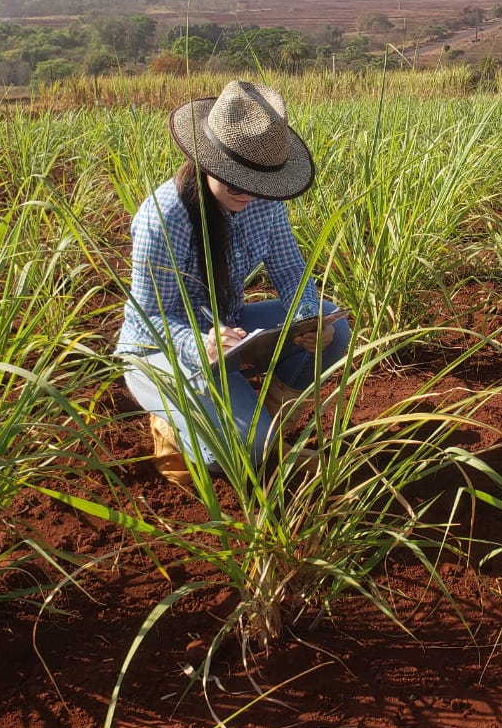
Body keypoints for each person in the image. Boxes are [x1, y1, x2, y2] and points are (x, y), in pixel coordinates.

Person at [116, 79, 350, 487]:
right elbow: (151, 317)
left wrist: (312, 319)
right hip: (163, 352)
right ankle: (174, 427)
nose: (248, 192)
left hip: (228, 331)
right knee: (242, 450)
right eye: (235, 177)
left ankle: (265, 426)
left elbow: (292, 272)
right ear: (208, 160)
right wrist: (199, 344)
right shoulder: (163, 218)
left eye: (258, 182)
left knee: (336, 326)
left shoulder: (264, 203)